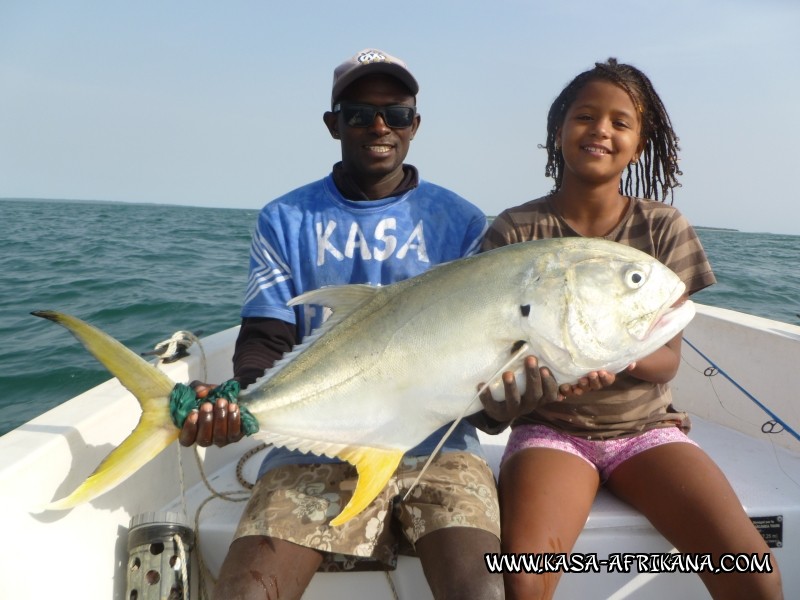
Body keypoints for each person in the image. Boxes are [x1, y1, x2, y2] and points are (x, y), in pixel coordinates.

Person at [179, 48, 557, 600]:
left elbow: (484, 364)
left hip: (441, 444)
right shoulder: (285, 219)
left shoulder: (463, 224)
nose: (380, 126)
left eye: (397, 113)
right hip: (317, 442)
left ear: (415, 125)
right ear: (334, 124)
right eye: (360, 113)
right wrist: (241, 402)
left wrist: (504, 408)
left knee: (480, 593)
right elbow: (266, 337)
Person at [481, 58, 783, 599]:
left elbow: (667, 358)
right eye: (586, 117)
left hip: (647, 431)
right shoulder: (516, 230)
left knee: (753, 574)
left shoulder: (662, 228)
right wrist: (548, 375)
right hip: (551, 430)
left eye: (620, 122)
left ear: (640, 144)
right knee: (524, 581)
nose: (601, 130)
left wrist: (610, 358)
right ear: (558, 130)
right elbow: (499, 359)